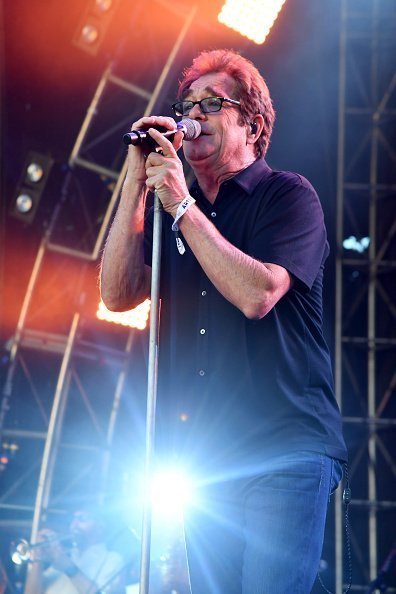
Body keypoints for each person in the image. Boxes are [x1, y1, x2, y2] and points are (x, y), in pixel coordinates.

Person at [100, 49, 348, 594]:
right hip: (209, 459)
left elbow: (258, 294)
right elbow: (117, 295)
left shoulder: (287, 195)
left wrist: (182, 207)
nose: (193, 115)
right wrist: (134, 181)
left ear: (252, 124)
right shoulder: (174, 214)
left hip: (285, 450)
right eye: (187, 105)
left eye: (212, 103)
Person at [24, 509, 126, 594]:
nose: (74, 525)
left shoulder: (112, 559)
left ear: (101, 526)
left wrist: (68, 566)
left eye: (82, 519)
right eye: (72, 520)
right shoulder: (67, 556)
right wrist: (38, 559)